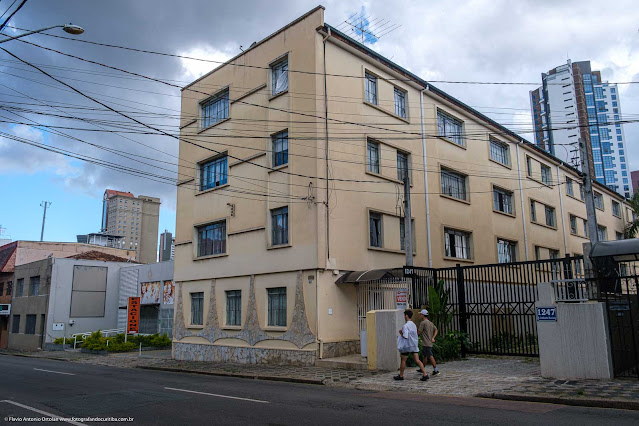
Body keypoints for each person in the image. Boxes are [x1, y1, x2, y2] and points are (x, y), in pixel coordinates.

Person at [394, 309, 429, 381]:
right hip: (414, 345)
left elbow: (405, 336)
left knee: (403, 360)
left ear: (406, 315)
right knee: (417, 360)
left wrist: (401, 333)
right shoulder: (413, 325)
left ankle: (401, 375)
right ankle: (425, 374)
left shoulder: (405, 326)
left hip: (407, 346)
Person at [416, 309, 439, 376]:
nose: (420, 315)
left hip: (426, 342)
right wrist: (433, 337)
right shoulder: (430, 323)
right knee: (425, 356)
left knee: (430, 355)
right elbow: (436, 330)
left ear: (423, 315)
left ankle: (436, 369)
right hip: (428, 342)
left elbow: (419, 332)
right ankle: (422, 367)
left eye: (421, 314)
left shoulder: (423, 323)